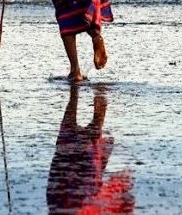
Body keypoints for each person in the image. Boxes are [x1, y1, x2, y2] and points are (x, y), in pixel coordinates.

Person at [46, 85, 135, 214]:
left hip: (77, 185)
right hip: (68, 183)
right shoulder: (56, 206)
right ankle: (92, 89)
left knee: (93, 124)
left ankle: (98, 90)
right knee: (76, 112)